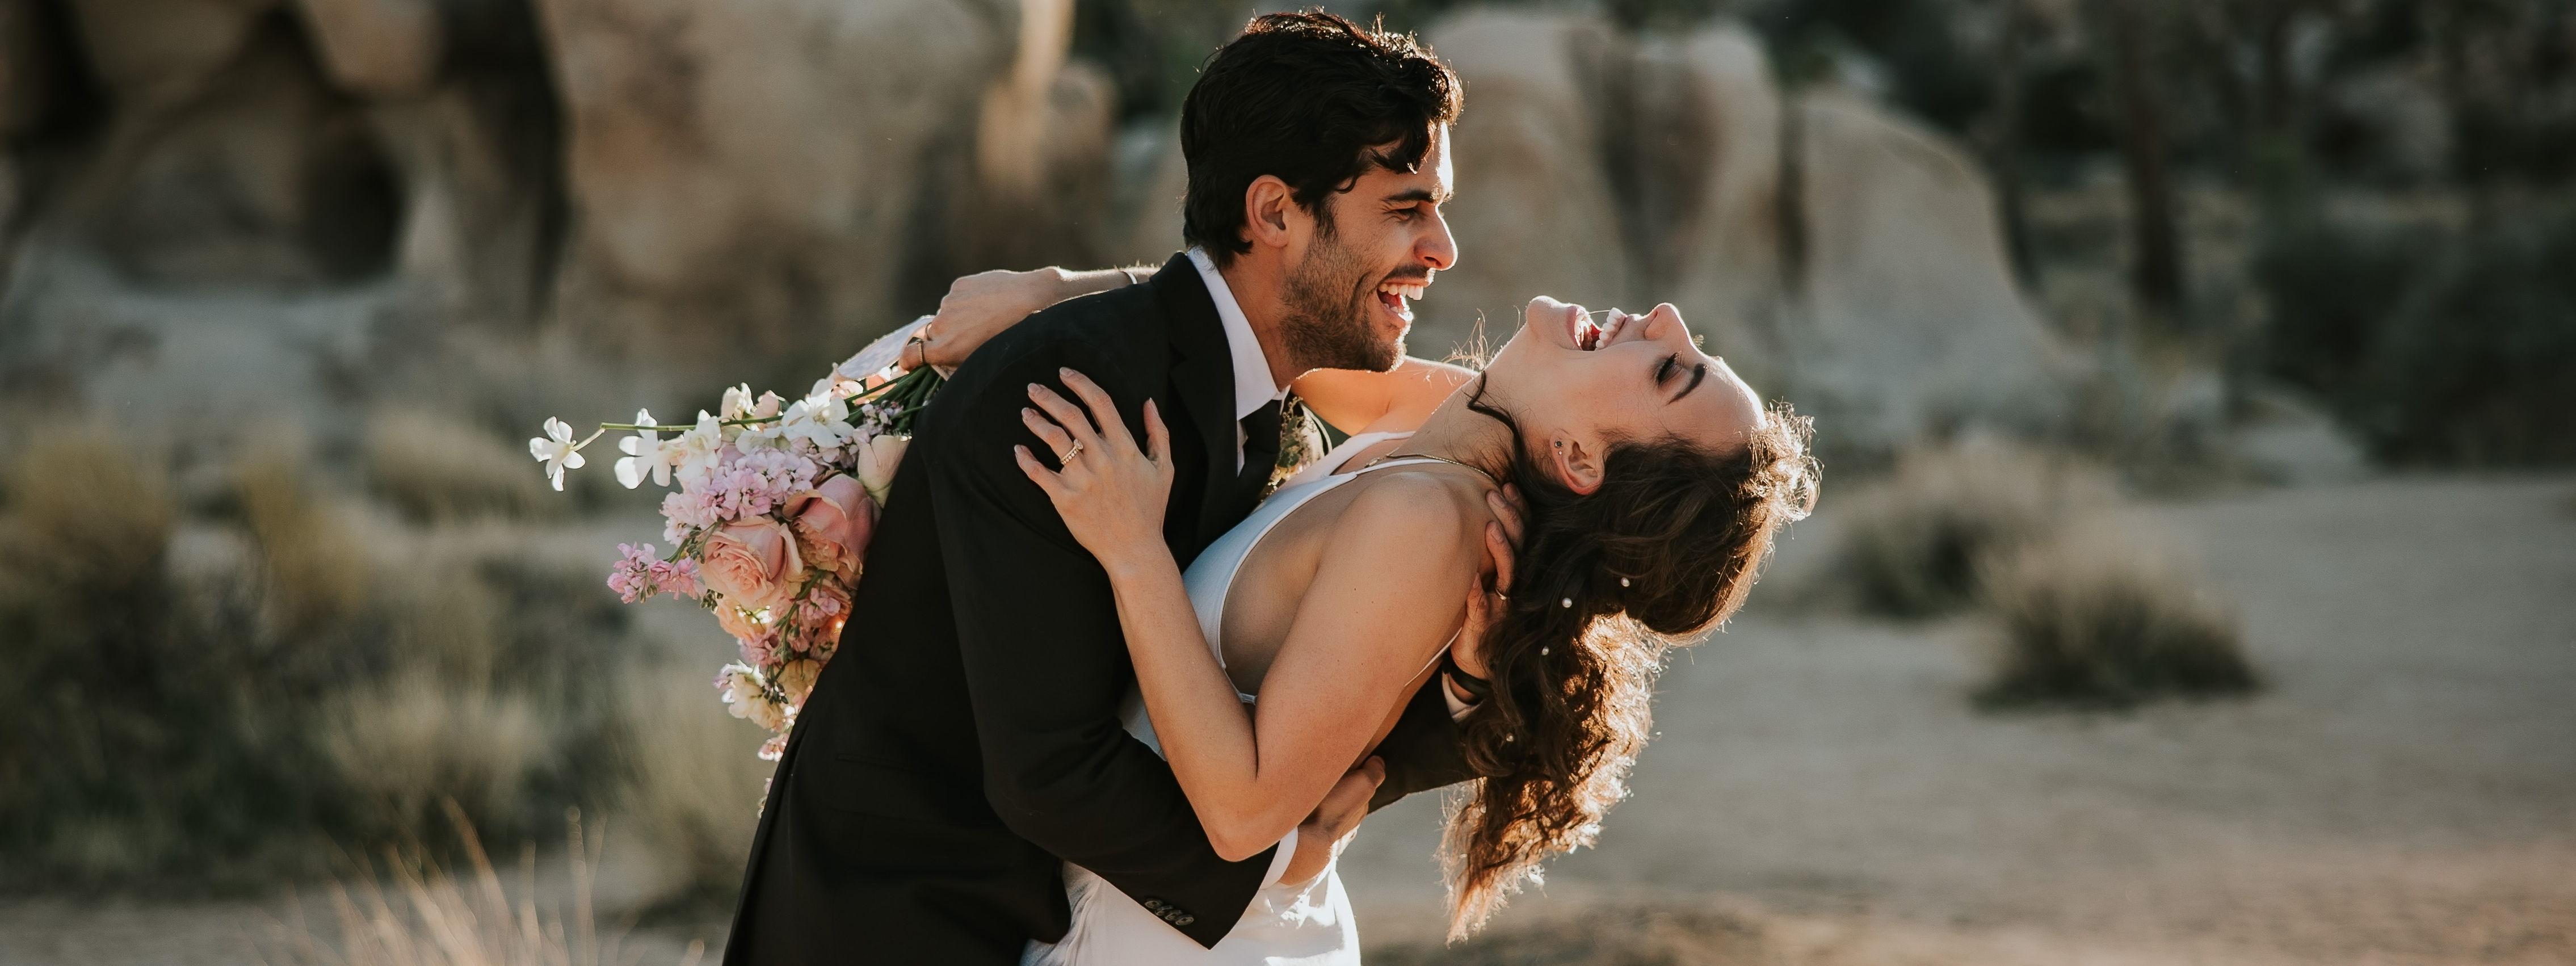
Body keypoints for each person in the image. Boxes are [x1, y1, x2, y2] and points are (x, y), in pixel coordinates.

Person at [720, 12, 1484, 964]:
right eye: (1407, 209)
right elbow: (1048, 767)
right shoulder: (1071, 392)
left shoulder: (1243, 385)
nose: (1442, 247)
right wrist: (1274, 869)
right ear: (1275, 214)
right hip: (895, 917)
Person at [995, 292, 1816, 963]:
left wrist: (1133, 549)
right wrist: (1053, 294)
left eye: (1671, 371)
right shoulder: (1461, 423)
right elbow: (1256, 328)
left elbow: (1243, 813)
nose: (1668, 317)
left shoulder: (1429, 521)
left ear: (1579, 458)